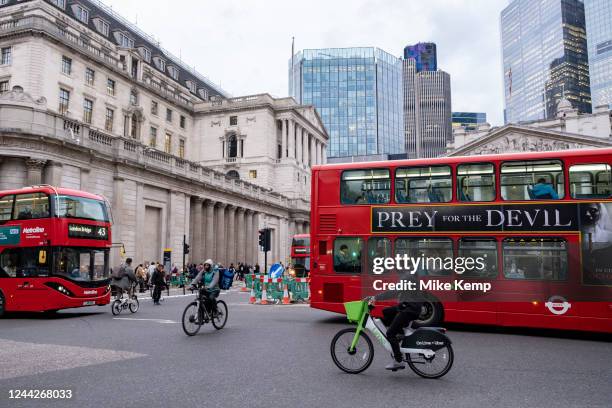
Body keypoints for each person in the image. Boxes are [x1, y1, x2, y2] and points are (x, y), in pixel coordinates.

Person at [373, 270, 424, 371]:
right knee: (386, 312)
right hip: (409, 306)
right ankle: (400, 334)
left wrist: (376, 297)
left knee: (390, 333)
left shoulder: (407, 277)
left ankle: (398, 361)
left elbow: (394, 292)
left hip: (409, 309)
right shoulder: (409, 276)